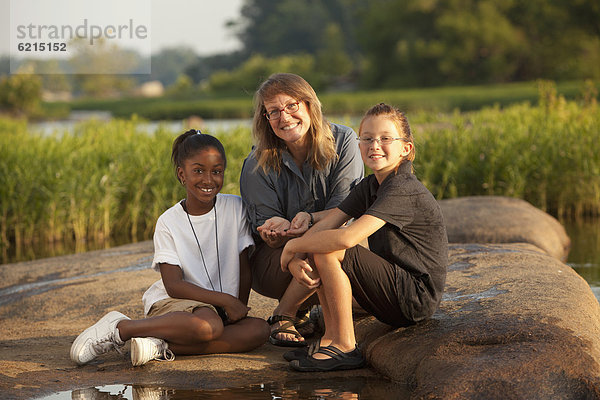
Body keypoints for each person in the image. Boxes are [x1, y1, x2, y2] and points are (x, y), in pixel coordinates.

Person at [70, 130, 270, 367]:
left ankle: (158, 345)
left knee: (259, 330)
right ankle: (122, 328)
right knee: (209, 326)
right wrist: (225, 301)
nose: (208, 179)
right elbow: (173, 285)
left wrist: (235, 308)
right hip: (177, 303)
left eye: (216, 171)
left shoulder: (235, 208)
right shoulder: (168, 222)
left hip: (219, 310)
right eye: (198, 171)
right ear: (181, 174)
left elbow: (243, 267)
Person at [280, 103, 448, 371]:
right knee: (322, 244)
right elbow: (329, 223)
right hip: (389, 289)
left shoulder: (403, 188)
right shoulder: (371, 185)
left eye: (385, 139)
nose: (374, 145)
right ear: (359, 145)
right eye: (367, 139)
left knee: (331, 248)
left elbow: (347, 238)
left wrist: (293, 245)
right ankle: (330, 340)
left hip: (414, 297)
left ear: (406, 148)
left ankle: (346, 346)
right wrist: (296, 258)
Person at [239, 73, 364, 347]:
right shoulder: (256, 163)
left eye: (291, 106)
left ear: (309, 105)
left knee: (335, 242)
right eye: (273, 112)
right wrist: (276, 232)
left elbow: (347, 210)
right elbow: (265, 226)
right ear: (266, 120)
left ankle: (294, 310)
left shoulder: (344, 141)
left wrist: (308, 223)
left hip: (321, 245)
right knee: (325, 247)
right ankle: (284, 313)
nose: (284, 117)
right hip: (276, 263)